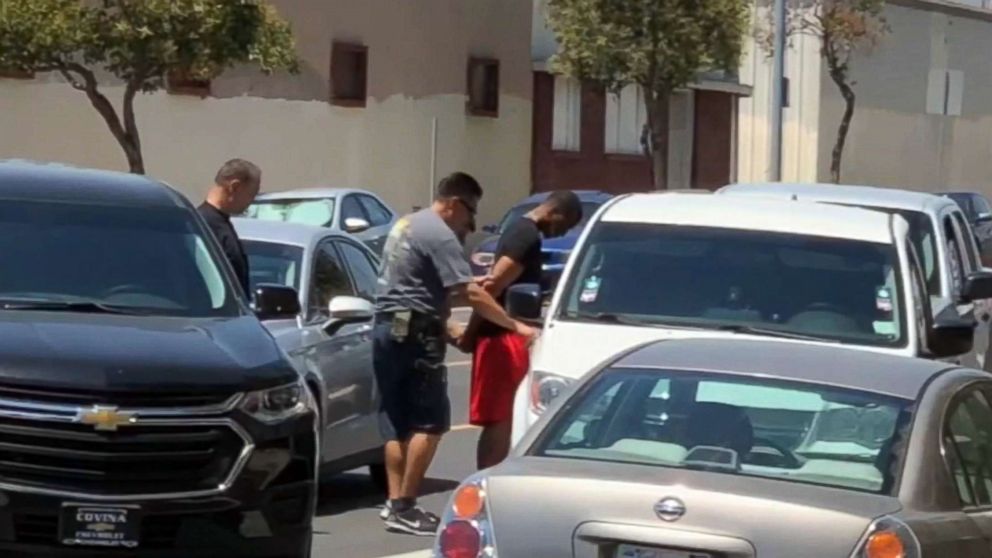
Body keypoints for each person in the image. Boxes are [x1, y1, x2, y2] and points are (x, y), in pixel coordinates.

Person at [373, 172, 537, 536]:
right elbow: (471, 294)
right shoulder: (439, 234)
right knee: (428, 424)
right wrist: (516, 326)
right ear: (453, 204)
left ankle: (393, 504)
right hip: (416, 332)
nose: (470, 223)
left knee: (397, 423)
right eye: (470, 213)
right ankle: (406, 506)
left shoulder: (406, 225)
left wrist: (449, 330)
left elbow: (413, 291)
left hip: (388, 327)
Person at [460, 190, 582, 469]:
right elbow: (491, 287)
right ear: (555, 213)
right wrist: (470, 334)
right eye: (565, 225)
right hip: (502, 337)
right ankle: (487, 479)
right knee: (500, 418)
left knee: (510, 416)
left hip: (505, 333)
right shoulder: (525, 236)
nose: (561, 231)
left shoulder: (521, 232)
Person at [197, 159, 261, 298]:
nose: (251, 201)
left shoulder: (218, 223)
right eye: (252, 194)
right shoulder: (204, 227)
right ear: (235, 187)